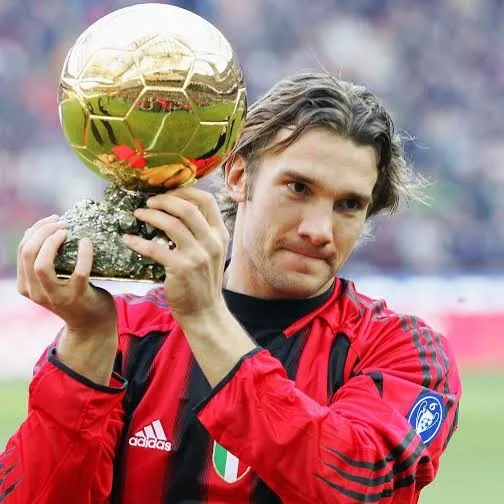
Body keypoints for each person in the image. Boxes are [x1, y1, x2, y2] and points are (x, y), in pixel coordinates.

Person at [0, 73, 461, 504]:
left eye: (349, 205)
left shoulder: (404, 351)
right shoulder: (126, 334)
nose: (320, 230)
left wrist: (205, 318)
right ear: (239, 176)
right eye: (298, 188)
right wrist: (86, 342)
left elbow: (358, 484)